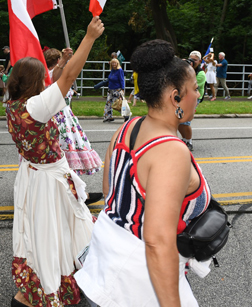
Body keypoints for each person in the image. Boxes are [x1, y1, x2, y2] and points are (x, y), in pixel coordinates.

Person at [75, 39, 211, 307]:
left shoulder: (128, 129)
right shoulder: (171, 152)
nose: (198, 95)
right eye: (194, 89)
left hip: (102, 264)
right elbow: (157, 243)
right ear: (175, 97)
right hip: (135, 284)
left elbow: (110, 195)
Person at [7, 16, 104, 307]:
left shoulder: (13, 105)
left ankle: (33, 288)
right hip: (49, 181)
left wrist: (60, 62)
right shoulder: (37, 106)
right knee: (60, 232)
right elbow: (66, 79)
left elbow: (56, 79)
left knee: (43, 234)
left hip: (31, 177)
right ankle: (58, 285)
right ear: (35, 83)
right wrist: (89, 37)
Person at [44, 48, 103, 205]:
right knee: (62, 161)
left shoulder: (55, 75)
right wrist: (63, 61)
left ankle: (72, 192)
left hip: (64, 119)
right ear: (57, 61)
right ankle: (77, 194)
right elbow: (52, 79)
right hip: (58, 121)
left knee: (62, 162)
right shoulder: (49, 76)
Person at [178, 51, 206, 152]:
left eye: (194, 60)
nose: (192, 62)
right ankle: (184, 139)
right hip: (183, 96)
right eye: (190, 59)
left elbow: (190, 86)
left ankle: (189, 141)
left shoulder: (201, 74)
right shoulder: (185, 69)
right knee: (178, 120)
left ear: (199, 61)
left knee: (185, 121)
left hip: (194, 98)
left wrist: (188, 70)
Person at [103, 58, 124, 122]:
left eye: (115, 63)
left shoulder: (119, 70)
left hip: (117, 89)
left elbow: (122, 80)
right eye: (112, 63)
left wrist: (122, 89)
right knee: (108, 103)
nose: (114, 64)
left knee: (117, 104)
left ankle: (126, 114)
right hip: (110, 89)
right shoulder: (112, 70)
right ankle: (108, 116)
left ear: (117, 63)